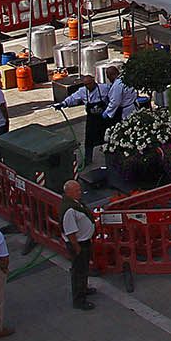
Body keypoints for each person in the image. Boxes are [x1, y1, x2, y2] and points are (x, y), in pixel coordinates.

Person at [59, 75, 112, 167]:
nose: (88, 86)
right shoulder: (82, 91)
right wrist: (63, 104)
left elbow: (114, 96)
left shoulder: (104, 88)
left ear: (94, 82)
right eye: (86, 84)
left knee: (107, 138)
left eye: (89, 84)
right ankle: (87, 160)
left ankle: (110, 157)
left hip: (103, 119)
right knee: (89, 140)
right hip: (92, 120)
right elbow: (73, 98)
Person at [61, 181, 97, 311]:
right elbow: (70, 232)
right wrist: (77, 247)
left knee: (83, 268)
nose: (80, 192)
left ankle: (84, 289)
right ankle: (79, 300)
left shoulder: (75, 203)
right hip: (79, 244)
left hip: (84, 241)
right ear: (68, 192)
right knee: (79, 272)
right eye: (76, 190)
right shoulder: (69, 210)